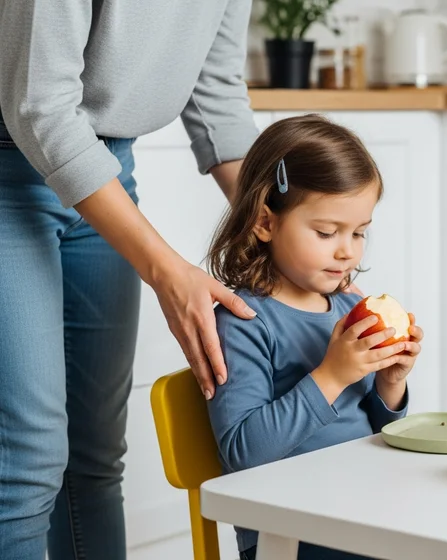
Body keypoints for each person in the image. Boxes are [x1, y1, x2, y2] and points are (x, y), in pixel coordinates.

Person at [0, 1, 279, 558]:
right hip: (13, 160)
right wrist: (165, 270)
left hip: (107, 163)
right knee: (28, 465)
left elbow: (214, 88)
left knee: (96, 456)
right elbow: (39, 107)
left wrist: (287, 231)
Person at [205, 114, 424, 560]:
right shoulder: (244, 322)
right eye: (327, 232)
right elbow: (243, 454)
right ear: (265, 223)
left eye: (359, 232)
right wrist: (331, 375)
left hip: (364, 511)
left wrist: (391, 385)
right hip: (292, 533)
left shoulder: (347, 309)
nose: (347, 250)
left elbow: (382, 435)